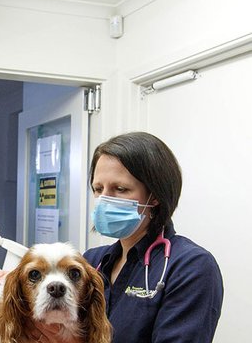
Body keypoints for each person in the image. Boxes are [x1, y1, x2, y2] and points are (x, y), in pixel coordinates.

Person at [83, 131, 223, 342]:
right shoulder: (92, 262)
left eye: (120, 189)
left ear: (155, 195)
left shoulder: (190, 266)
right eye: (98, 189)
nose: (104, 200)